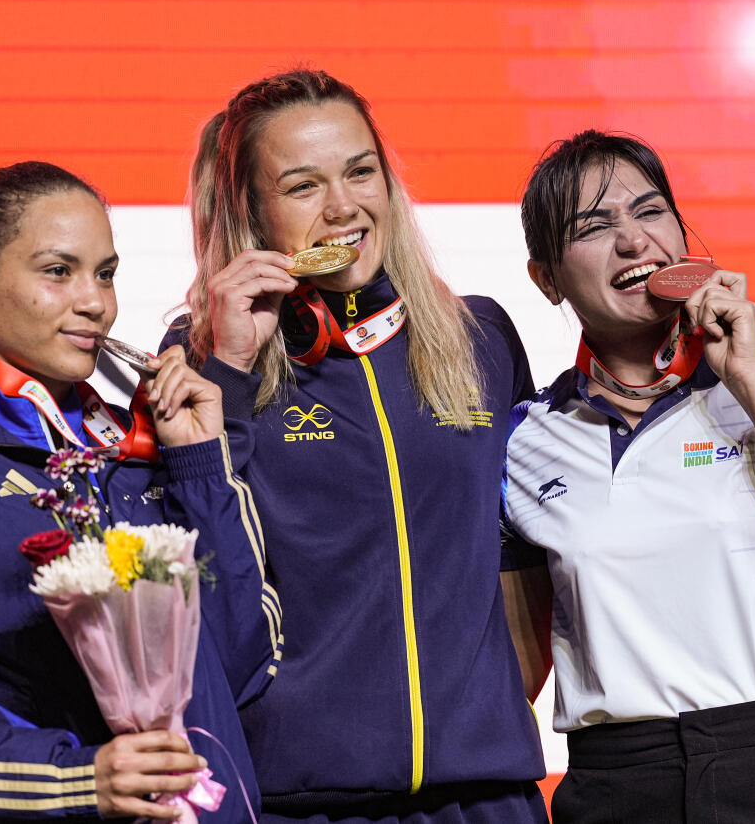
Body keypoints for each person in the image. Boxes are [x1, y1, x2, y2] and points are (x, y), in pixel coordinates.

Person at [0, 161, 281, 822]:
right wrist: (77, 780)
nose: (95, 301)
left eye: (106, 273)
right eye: (58, 271)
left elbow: (245, 663)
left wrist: (201, 463)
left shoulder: (139, 448)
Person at [160, 69, 548, 822]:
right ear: (250, 210)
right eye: (303, 186)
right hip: (301, 801)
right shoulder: (203, 360)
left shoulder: (481, 337)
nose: (344, 205)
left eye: (361, 171)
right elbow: (191, 575)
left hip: (486, 796)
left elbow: (518, 555)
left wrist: (486, 712)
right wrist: (232, 373)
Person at [502, 131, 755, 823]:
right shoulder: (527, 437)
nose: (635, 241)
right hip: (617, 787)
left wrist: (749, 382)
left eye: (651, 211)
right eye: (595, 226)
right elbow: (514, 670)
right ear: (546, 279)